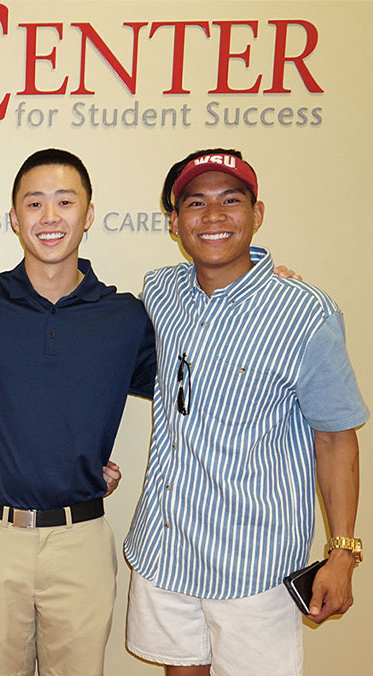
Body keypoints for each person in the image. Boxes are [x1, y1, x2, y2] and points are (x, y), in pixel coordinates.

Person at [123, 149, 367, 676]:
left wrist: (342, 551)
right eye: (196, 203)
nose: (213, 217)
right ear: (175, 222)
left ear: (257, 215)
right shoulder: (160, 291)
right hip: (166, 547)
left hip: (254, 563)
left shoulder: (306, 313)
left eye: (231, 201)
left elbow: (336, 439)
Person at [0, 149, 155, 675]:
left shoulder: (126, 317)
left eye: (65, 201)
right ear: (15, 218)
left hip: (80, 539)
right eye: (34, 203)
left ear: (88, 214)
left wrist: (255, 294)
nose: (50, 216)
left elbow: (195, 387)